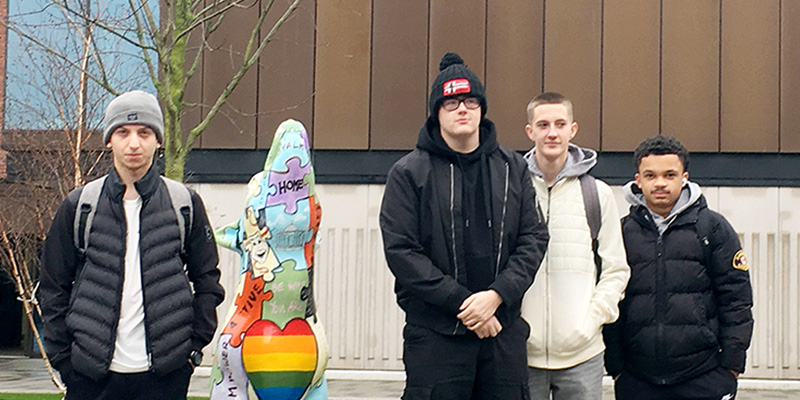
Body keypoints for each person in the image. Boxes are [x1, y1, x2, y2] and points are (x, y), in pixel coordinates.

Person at [379, 52, 549, 399]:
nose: (462, 109)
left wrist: (497, 295)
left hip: (502, 332)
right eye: (451, 102)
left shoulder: (512, 168)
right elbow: (402, 251)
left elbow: (534, 237)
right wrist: (466, 304)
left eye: (471, 101)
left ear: (482, 109)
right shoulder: (409, 173)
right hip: (436, 337)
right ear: (436, 112)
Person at [39, 90, 225, 400]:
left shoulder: (184, 204)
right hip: (90, 378)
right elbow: (52, 287)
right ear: (109, 139)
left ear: (158, 140)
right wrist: (64, 361)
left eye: (144, 132)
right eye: (123, 132)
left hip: (165, 377)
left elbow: (208, 281)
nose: (134, 142)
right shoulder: (80, 206)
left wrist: (191, 350)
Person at [604, 135, 754, 400]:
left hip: (704, 377)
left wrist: (731, 367)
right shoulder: (621, 232)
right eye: (650, 175)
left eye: (669, 175)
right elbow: (611, 302)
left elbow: (737, 301)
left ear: (684, 177)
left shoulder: (713, 229)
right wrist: (616, 367)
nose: (660, 183)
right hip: (638, 380)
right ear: (638, 180)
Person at [520, 92, 630, 399]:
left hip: (583, 355)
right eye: (543, 125)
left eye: (559, 123)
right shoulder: (513, 189)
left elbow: (616, 269)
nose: (552, 132)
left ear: (573, 129)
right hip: (521, 354)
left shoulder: (598, 194)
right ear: (530, 132)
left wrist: (592, 320)